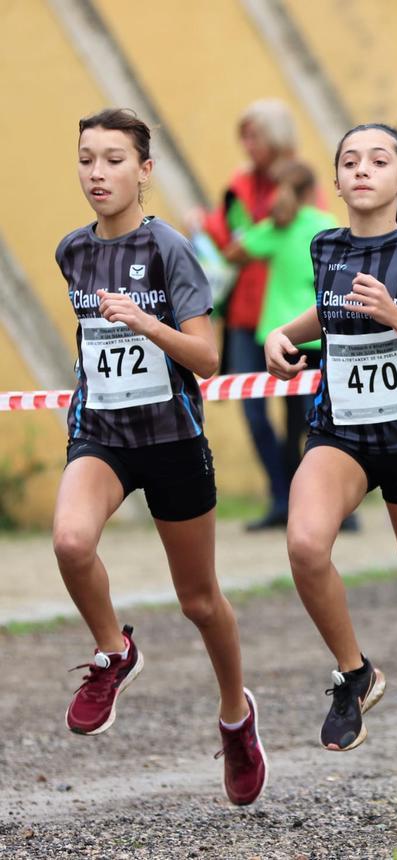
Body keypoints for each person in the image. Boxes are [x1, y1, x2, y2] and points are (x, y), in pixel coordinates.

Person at [264, 124, 397, 821]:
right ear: (335, 180)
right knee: (304, 545)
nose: (362, 170)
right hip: (342, 434)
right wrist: (282, 334)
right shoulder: (325, 245)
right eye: (350, 161)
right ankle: (355, 673)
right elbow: (330, 314)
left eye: (378, 160)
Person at [54, 108, 266, 805]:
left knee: (200, 601)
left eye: (114, 159)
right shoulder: (72, 252)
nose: (97, 173)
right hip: (104, 433)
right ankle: (114, 651)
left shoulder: (170, 249)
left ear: (144, 171)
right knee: (70, 540)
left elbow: (206, 358)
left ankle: (236, 716)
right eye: (87, 158)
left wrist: (148, 324)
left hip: (172, 440)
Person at [203, 99, 300, 530]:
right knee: (252, 407)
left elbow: (306, 233)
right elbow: (228, 239)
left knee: (303, 409)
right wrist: (206, 225)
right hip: (244, 313)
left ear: (275, 135)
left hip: (290, 313)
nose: (246, 145)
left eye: (253, 135)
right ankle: (282, 495)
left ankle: (308, 496)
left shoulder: (301, 179)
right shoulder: (238, 185)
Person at [222, 161, 338, 500]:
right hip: (321, 330)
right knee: (325, 420)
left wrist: (251, 228)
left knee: (292, 423)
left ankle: (292, 500)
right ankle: (334, 503)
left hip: (283, 335)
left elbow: (232, 255)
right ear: (312, 191)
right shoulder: (324, 225)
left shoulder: (274, 228)